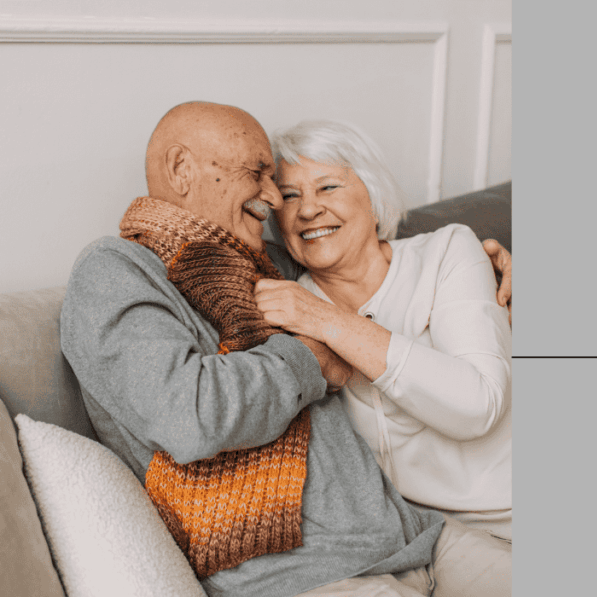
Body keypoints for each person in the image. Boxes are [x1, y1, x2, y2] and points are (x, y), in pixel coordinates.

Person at [60, 101, 511, 597]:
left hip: (418, 537)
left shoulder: (269, 264)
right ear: (181, 169)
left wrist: (492, 265)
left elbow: (365, 254)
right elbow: (189, 416)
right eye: (260, 174)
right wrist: (311, 360)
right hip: (310, 576)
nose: (276, 200)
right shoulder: (115, 271)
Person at [253, 121, 512, 541]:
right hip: (422, 541)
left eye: (328, 187)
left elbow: (478, 405)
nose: (307, 209)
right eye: (289, 196)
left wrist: (329, 321)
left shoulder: (447, 253)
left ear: (372, 197)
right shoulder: (287, 304)